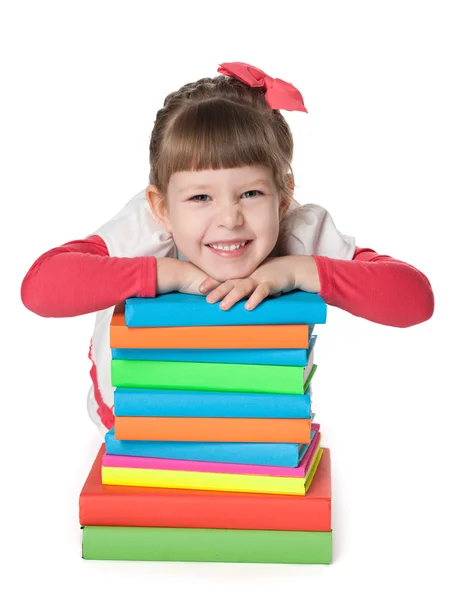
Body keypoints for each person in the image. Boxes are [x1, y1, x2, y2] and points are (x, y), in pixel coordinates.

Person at [20, 61, 434, 436]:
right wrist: (166, 273)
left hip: (256, 432)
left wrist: (297, 270)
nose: (229, 219)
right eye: (201, 198)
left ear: (283, 197)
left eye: (251, 193)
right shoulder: (149, 228)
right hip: (136, 422)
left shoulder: (298, 230)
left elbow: (414, 299)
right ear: (163, 207)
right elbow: (41, 287)